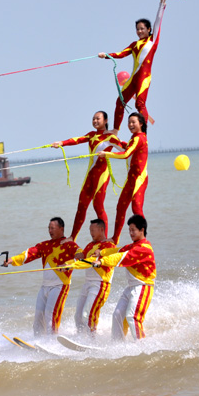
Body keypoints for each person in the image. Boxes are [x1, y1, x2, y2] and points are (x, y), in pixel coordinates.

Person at [50, 111, 126, 242]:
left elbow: (126, 151)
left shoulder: (111, 138)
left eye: (98, 119)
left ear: (106, 121)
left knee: (98, 205)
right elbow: (77, 140)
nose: (95, 121)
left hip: (102, 175)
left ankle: (105, 239)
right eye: (93, 119)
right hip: (89, 175)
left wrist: (109, 154)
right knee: (82, 205)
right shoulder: (91, 135)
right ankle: (72, 237)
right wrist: (61, 143)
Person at [99, 0, 167, 132]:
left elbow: (158, 21)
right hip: (133, 78)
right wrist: (106, 55)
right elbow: (120, 54)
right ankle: (115, 130)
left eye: (142, 29)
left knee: (140, 103)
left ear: (149, 29)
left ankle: (143, 133)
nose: (139, 31)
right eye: (137, 29)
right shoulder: (134, 44)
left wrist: (162, 4)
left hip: (144, 77)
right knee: (120, 102)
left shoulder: (152, 40)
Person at [3, 217, 80, 336]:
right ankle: (38, 342)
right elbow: (29, 253)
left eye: (52, 228)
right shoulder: (45, 245)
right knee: (38, 316)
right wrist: (12, 260)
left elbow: (80, 255)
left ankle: (52, 342)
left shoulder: (69, 244)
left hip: (59, 287)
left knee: (50, 316)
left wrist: (68, 264)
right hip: (44, 287)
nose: (50, 231)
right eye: (48, 228)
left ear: (61, 229)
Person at [91, 214, 156, 340]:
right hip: (132, 287)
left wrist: (102, 261)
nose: (131, 233)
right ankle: (117, 345)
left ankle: (142, 345)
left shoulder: (144, 248)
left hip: (143, 287)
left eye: (133, 230)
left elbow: (121, 257)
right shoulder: (133, 246)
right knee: (117, 315)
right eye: (129, 230)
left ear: (142, 230)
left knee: (133, 317)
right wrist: (102, 252)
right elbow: (118, 251)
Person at [98, 112, 149, 245]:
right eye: (129, 122)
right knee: (120, 207)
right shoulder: (135, 138)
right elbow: (127, 147)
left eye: (134, 122)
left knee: (136, 209)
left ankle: (143, 240)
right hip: (130, 179)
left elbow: (126, 154)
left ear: (141, 124)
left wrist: (106, 154)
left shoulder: (140, 138)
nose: (130, 125)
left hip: (139, 179)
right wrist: (114, 140)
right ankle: (115, 238)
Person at [70, 219, 117, 335]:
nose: (90, 233)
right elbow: (82, 259)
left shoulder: (109, 246)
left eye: (93, 230)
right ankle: (80, 338)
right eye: (90, 230)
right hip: (87, 283)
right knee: (78, 316)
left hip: (100, 284)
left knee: (88, 314)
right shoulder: (90, 245)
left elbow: (90, 261)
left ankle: (91, 340)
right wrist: (76, 257)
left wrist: (70, 266)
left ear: (101, 230)